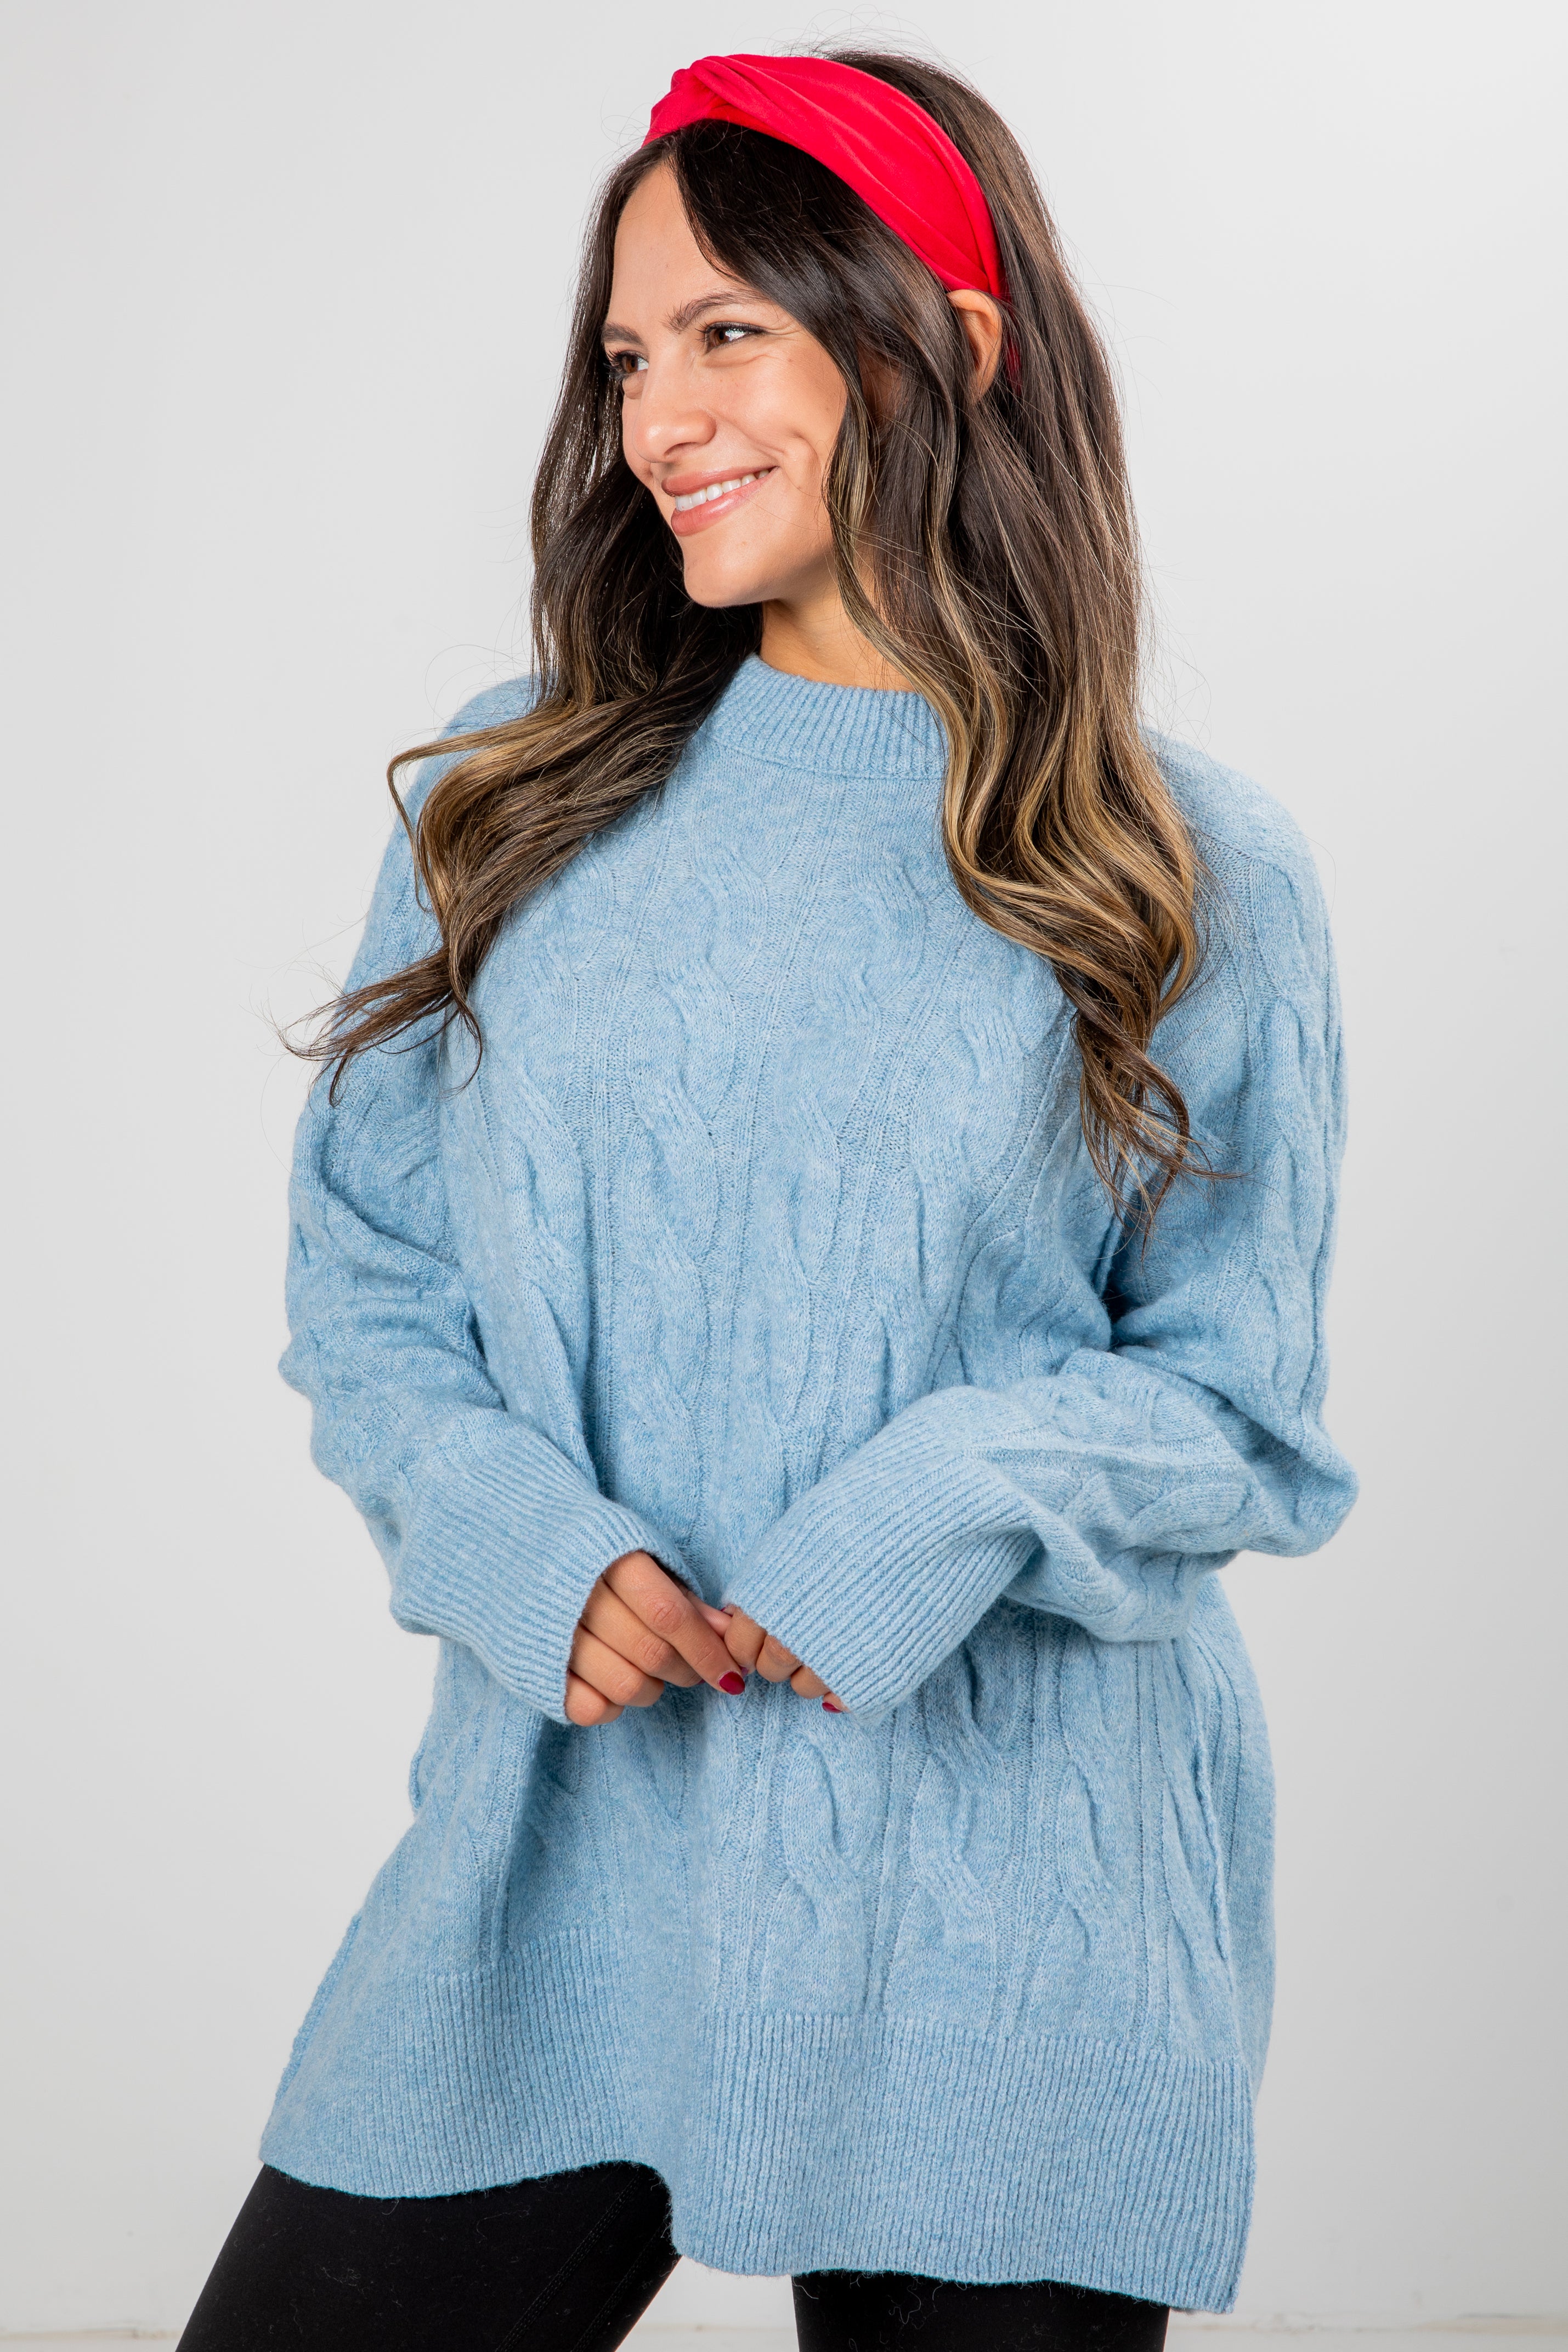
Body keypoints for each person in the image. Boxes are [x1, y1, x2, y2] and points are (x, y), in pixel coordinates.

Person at [180, 48, 1356, 2352]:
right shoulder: (519, 804)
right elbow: (374, 1278)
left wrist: (931, 1501)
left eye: (732, 331)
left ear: (945, 346)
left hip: (1004, 1901)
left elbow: (1243, 1405)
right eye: (631, 352)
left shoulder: (1180, 865)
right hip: (567, 1859)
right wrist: (523, 1534)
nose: (659, 414)